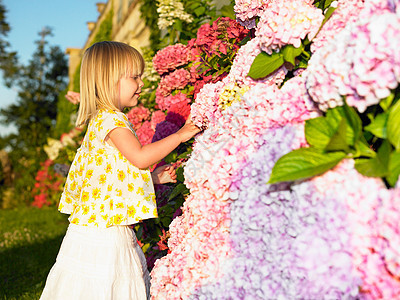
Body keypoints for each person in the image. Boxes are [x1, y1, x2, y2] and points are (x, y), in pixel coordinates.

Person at [40, 41, 200, 300]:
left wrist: (153, 178)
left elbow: (111, 176)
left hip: (91, 228)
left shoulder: (100, 119)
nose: (141, 84)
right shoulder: (113, 120)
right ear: (110, 79)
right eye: (134, 77)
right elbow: (139, 158)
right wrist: (181, 135)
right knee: (110, 286)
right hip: (107, 235)